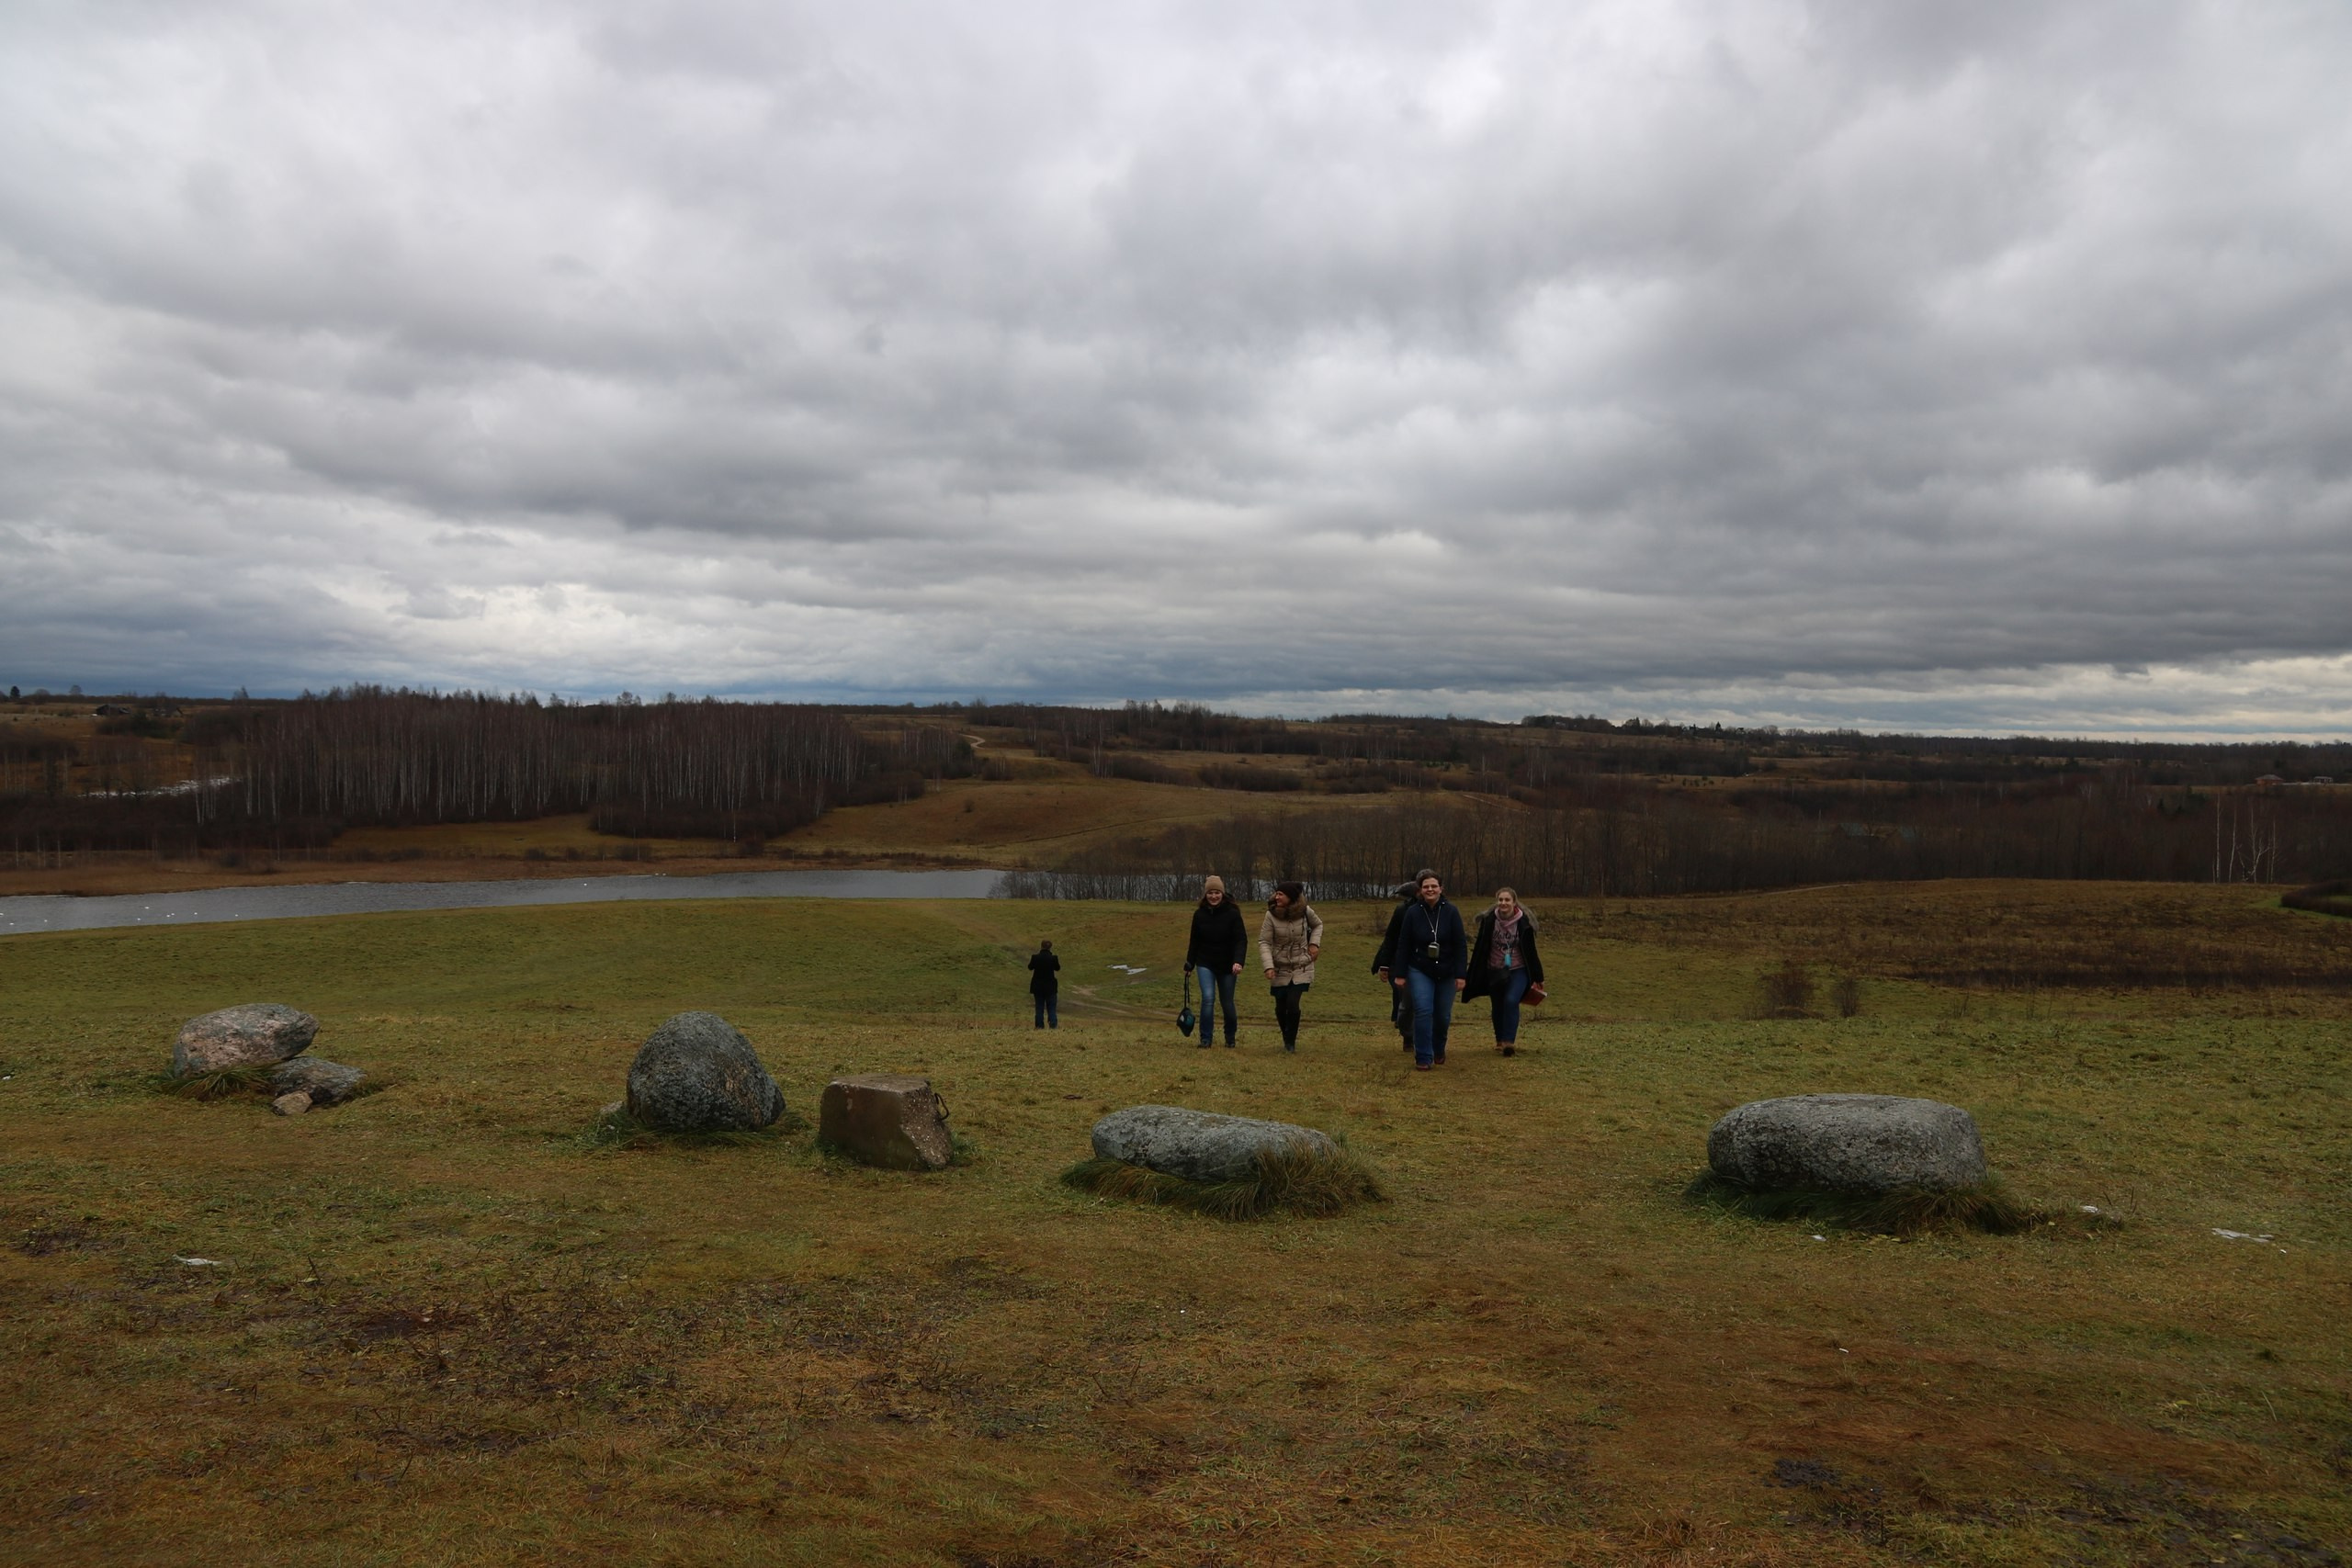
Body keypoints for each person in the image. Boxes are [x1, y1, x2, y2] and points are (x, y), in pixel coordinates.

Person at [1389, 870, 1467, 1070]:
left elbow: (1460, 944)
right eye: (1426, 887)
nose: (1430, 890)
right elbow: (1404, 944)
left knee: (1442, 1016)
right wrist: (1400, 973)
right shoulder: (1413, 913)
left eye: (1434, 886)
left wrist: (1461, 974)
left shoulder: (1451, 912)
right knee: (1423, 1011)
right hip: (1420, 969)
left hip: (1447, 970)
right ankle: (1423, 1056)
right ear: (1420, 890)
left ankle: (1438, 1048)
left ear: (1441, 889)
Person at [1463, 887, 1544, 1056]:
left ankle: (1509, 1042)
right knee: (1498, 1004)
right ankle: (1499, 1039)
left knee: (1511, 1000)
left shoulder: (1524, 923)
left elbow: (1531, 951)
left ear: (1514, 902)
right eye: (1500, 900)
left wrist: (1538, 976)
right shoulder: (1489, 920)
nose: (1503, 903)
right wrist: (1473, 971)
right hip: (1495, 969)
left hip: (1518, 969)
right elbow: (1480, 947)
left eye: (1507, 900)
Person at [1258, 881, 1324, 1052]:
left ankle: (1290, 1043)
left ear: (1291, 897)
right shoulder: (1270, 915)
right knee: (1281, 1006)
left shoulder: (1305, 911)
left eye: (1281, 894)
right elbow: (1264, 942)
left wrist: (1314, 944)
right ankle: (1286, 1035)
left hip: (1302, 965)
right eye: (1276, 893)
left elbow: (1318, 925)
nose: (1277, 897)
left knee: (1293, 1003)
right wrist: (1268, 966)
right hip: (1280, 967)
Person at [1184, 874, 1248, 1048]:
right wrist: (1189, 963)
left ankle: (1230, 1037)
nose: (1213, 896)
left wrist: (1238, 961)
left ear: (1222, 894)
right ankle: (1205, 1039)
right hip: (1205, 963)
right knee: (1208, 998)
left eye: (1217, 893)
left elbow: (1241, 940)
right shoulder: (1199, 915)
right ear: (1205, 895)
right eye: (1210, 893)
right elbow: (1194, 941)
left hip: (1228, 965)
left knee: (1227, 1002)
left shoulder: (1233, 914)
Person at [1371, 876, 1424, 1052]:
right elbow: (1391, 938)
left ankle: (1422, 1038)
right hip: (1403, 962)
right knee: (1406, 1002)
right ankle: (1407, 1035)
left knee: (1424, 1003)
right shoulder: (1403, 910)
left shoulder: (1442, 910)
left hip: (1428, 963)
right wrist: (1384, 965)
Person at [1027, 939, 1061, 1029]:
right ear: (1050, 947)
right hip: (1050, 987)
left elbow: (1030, 967)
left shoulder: (1035, 957)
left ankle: (1039, 1025)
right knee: (1052, 1007)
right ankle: (1053, 1024)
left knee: (1039, 1007)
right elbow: (1057, 968)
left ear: (1041, 946)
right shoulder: (1053, 958)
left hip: (1038, 986)